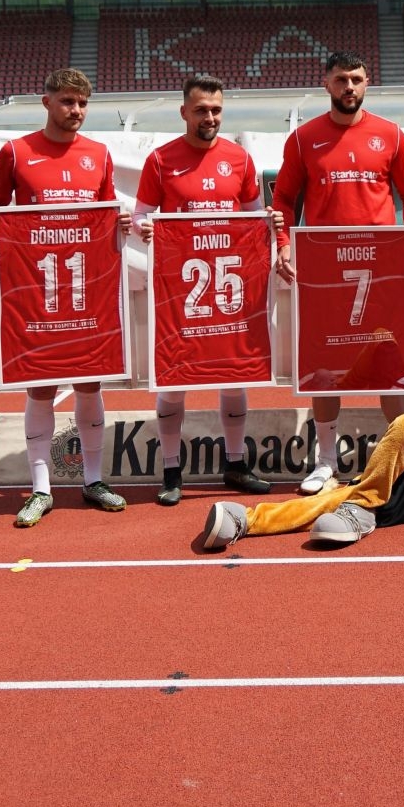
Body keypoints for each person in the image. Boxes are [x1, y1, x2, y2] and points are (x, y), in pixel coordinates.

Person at [0, 68, 134, 524]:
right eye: (67, 101)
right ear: (46, 102)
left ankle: (93, 480)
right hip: (35, 289)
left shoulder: (98, 154)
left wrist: (120, 223)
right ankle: (41, 489)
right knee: (41, 383)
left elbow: (106, 210)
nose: (76, 110)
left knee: (90, 381)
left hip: (85, 288)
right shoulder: (16, 151)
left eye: (83, 103)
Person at [272, 51, 404, 493]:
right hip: (325, 270)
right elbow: (283, 200)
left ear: (367, 82)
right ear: (326, 83)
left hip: (381, 270)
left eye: (356, 79)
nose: (349, 87)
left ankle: (402, 460)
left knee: (390, 364)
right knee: (325, 365)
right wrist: (283, 245)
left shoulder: (390, 134)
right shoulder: (303, 139)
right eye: (341, 80)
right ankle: (326, 462)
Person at [133, 74, 275, 504]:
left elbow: (254, 219)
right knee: (174, 378)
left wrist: (271, 223)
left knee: (233, 374)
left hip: (228, 288)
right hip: (180, 290)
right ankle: (171, 471)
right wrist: (143, 228)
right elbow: (141, 215)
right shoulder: (160, 160)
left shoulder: (240, 159)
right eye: (200, 110)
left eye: (215, 110)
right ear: (184, 112)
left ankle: (235, 464)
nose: (209, 117)